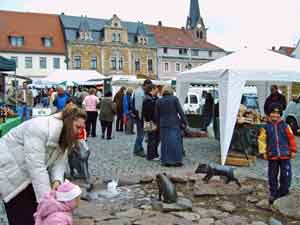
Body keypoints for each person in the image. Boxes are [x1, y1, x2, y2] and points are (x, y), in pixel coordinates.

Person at [0, 105, 86, 225]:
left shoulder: (64, 135)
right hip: (9, 173)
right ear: (68, 121)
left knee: (35, 214)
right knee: (23, 217)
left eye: (82, 128)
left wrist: (57, 181)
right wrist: (48, 204)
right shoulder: (39, 127)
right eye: (78, 127)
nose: (79, 132)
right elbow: (37, 168)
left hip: (26, 176)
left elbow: (59, 163)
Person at [258, 103, 296, 205]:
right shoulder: (265, 127)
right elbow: (262, 141)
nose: (275, 115)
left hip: (285, 155)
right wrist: (263, 152)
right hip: (272, 155)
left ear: (280, 114)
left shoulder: (285, 126)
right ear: (269, 114)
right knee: (272, 175)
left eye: (277, 113)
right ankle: (273, 193)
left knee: (286, 175)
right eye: (273, 113)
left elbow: (291, 139)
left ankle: (283, 191)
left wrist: (293, 150)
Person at [155, 86, 187, 167]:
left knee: (165, 143)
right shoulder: (174, 99)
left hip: (163, 124)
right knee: (176, 143)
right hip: (174, 123)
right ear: (171, 91)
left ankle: (166, 161)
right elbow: (180, 112)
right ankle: (177, 161)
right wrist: (185, 122)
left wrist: (158, 124)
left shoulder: (159, 100)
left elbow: (156, 115)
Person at [133, 79, 153, 157]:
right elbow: (139, 107)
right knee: (141, 135)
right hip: (140, 117)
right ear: (145, 85)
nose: (149, 89)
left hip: (140, 116)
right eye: (148, 87)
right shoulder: (139, 92)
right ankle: (137, 150)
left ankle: (139, 148)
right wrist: (142, 118)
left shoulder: (140, 91)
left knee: (141, 134)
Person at [143, 84, 160, 160]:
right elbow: (149, 113)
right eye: (156, 88)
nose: (157, 90)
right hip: (151, 122)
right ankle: (151, 156)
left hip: (150, 121)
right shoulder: (148, 99)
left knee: (154, 139)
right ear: (152, 89)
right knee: (152, 139)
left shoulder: (151, 98)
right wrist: (154, 122)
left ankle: (154, 154)